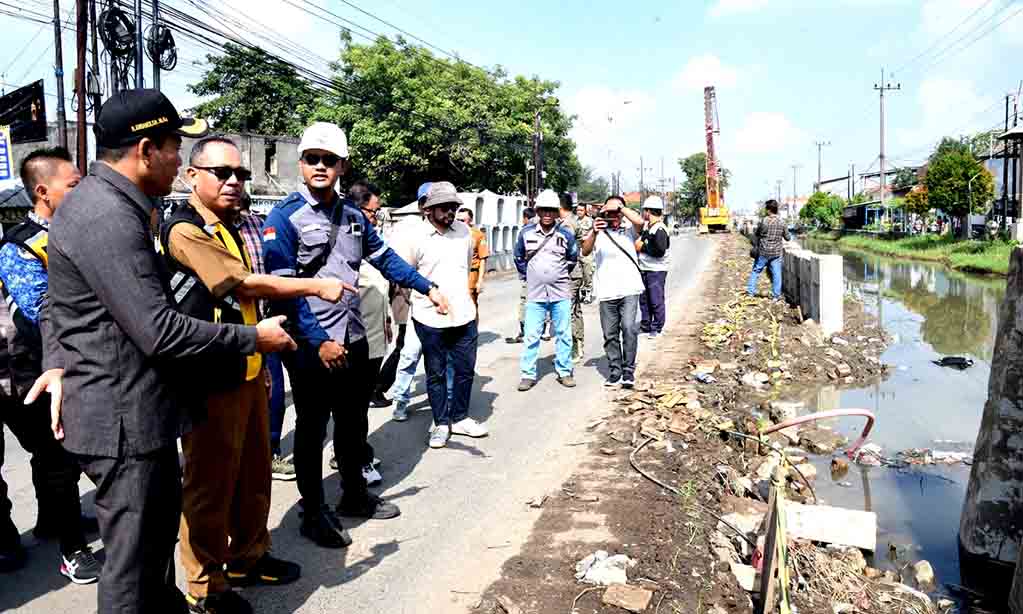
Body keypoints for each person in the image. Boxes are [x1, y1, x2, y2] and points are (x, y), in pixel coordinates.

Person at [32, 89, 297, 614]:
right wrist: (255, 338)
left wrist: (57, 361)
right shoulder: (106, 214)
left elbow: (61, 302)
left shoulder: (118, 205)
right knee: (130, 576)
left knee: (152, 557)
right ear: (146, 149)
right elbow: (158, 331)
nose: (180, 159)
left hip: (141, 411)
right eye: (176, 146)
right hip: (123, 421)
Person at [164, 136, 352, 613]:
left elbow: (249, 302)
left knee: (254, 474)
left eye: (240, 174)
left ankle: (248, 556)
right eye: (221, 173)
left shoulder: (234, 225)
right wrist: (316, 285)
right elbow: (242, 284)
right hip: (209, 377)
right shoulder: (185, 229)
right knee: (209, 485)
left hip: (248, 369)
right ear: (192, 176)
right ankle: (206, 584)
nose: (233, 182)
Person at [262, 123, 449, 548]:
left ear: (342, 165)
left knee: (353, 420)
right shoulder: (284, 217)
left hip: (352, 334)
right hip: (312, 342)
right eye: (313, 159)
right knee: (312, 426)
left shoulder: (352, 217)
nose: (321, 167)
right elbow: (284, 291)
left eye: (330, 160)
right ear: (302, 163)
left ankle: (353, 495)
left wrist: (427, 288)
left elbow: (386, 259)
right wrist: (319, 341)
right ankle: (312, 512)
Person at [0, 147, 101, 583]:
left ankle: (52, 522)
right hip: (27, 371)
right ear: (44, 192)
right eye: (74, 185)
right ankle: (71, 548)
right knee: (58, 455)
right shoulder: (20, 245)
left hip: (67, 362)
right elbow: (43, 307)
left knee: (53, 457)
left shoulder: (81, 232)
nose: (84, 192)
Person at [396, 181, 487, 449]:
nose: (451, 212)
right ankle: (440, 423)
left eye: (454, 207)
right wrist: (411, 302)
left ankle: (459, 418)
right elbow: (404, 273)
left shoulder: (465, 233)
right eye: (445, 208)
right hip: (429, 317)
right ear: (429, 210)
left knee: (465, 370)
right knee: (435, 373)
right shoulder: (414, 237)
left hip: (464, 315)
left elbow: (468, 263)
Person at [233, 194, 296, 482]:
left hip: (267, 321)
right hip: (231, 327)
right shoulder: (201, 231)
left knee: (273, 392)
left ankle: (268, 453)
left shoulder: (260, 226)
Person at [515, 190, 578, 391]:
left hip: (560, 293)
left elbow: (572, 258)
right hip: (535, 294)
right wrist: (531, 276)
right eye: (544, 210)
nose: (548, 214)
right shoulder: (526, 233)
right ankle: (528, 374)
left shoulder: (566, 235)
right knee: (532, 335)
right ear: (538, 211)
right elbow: (518, 258)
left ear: (557, 212)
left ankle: (565, 372)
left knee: (564, 334)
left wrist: (556, 274)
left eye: (551, 210)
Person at [580, 196, 645, 389]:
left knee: (629, 328)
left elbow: (640, 222)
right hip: (607, 291)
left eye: (616, 213)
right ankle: (615, 370)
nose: (612, 217)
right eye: (609, 213)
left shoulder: (629, 230)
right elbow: (584, 251)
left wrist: (620, 208)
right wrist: (594, 229)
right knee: (610, 334)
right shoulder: (598, 232)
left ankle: (628, 371)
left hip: (630, 289)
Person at [636, 195, 671, 338]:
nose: (643, 213)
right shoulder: (648, 227)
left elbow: (659, 251)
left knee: (655, 299)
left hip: (656, 270)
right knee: (644, 299)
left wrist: (642, 247)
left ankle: (656, 326)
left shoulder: (660, 229)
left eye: (644, 210)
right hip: (645, 268)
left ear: (648, 211)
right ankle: (646, 324)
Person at [560, 195, 589, 362]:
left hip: (569, 272)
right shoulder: (570, 221)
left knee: (568, 312)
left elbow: (565, 249)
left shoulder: (567, 224)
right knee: (574, 311)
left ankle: (573, 348)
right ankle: (578, 346)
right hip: (573, 272)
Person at [746, 199, 790, 300]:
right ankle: (776, 296)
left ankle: (750, 292)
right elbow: (788, 238)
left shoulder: (764, 221)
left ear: (769, 209)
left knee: (756, 271)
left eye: (766, 208)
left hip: (763, 252)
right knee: (776, 273)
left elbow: (756, 234)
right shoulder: (782, 222)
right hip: (776, 253)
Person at [505, 206, 535, 344]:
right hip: (542, 274)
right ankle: (544, 331)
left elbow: (518, 256)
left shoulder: (525, 231)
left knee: (525, 302)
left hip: (530, 275)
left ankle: (524, 332)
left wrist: (524, 272)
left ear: (525, 218)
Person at [457, 207, 489, 307]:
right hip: (456, 272)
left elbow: (483, 259)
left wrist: (480, 281)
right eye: (457, 220)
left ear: (470, 220)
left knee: (470, 304)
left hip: (471, 274)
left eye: (462, 220)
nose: (459, 222)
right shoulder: (452, 234)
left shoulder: (477, 235)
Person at [575, 203, 595, 305]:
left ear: (585, 211)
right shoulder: (574, 221)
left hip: (587, 251)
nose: (579, 212)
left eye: (581, 210)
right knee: (578, 273)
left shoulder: (590, 221)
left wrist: (586, 238)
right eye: (578, 210)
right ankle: (580, 293)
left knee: (587, 272)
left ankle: (588, 293)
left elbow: (593, 234)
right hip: (576, 250)